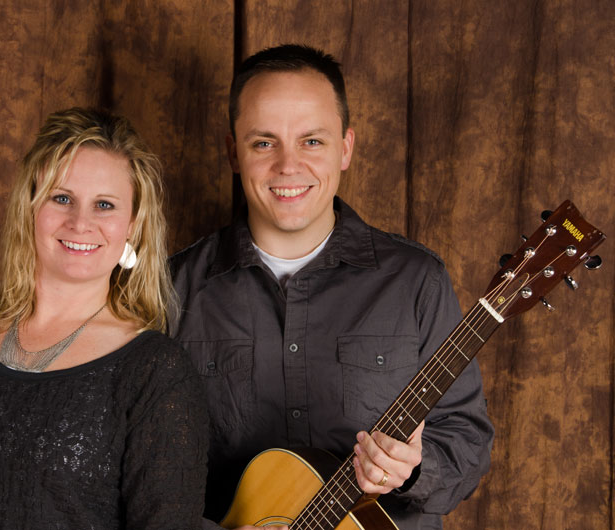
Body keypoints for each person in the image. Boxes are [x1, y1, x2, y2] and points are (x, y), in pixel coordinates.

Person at [170, 45, 494, 530]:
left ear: (345, 148)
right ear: (231, 152)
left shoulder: (415, 282)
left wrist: (413, 471)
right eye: (263, 142)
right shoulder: (173, 289)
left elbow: (467, 441)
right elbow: (137, 470)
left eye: (312, 141)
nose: (288, 165)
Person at [0, 107, 209, 530]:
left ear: (133, 226)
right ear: (29, 206)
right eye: (61, 198)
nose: (80, 222)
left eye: (104, 205)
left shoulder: (155, 373)